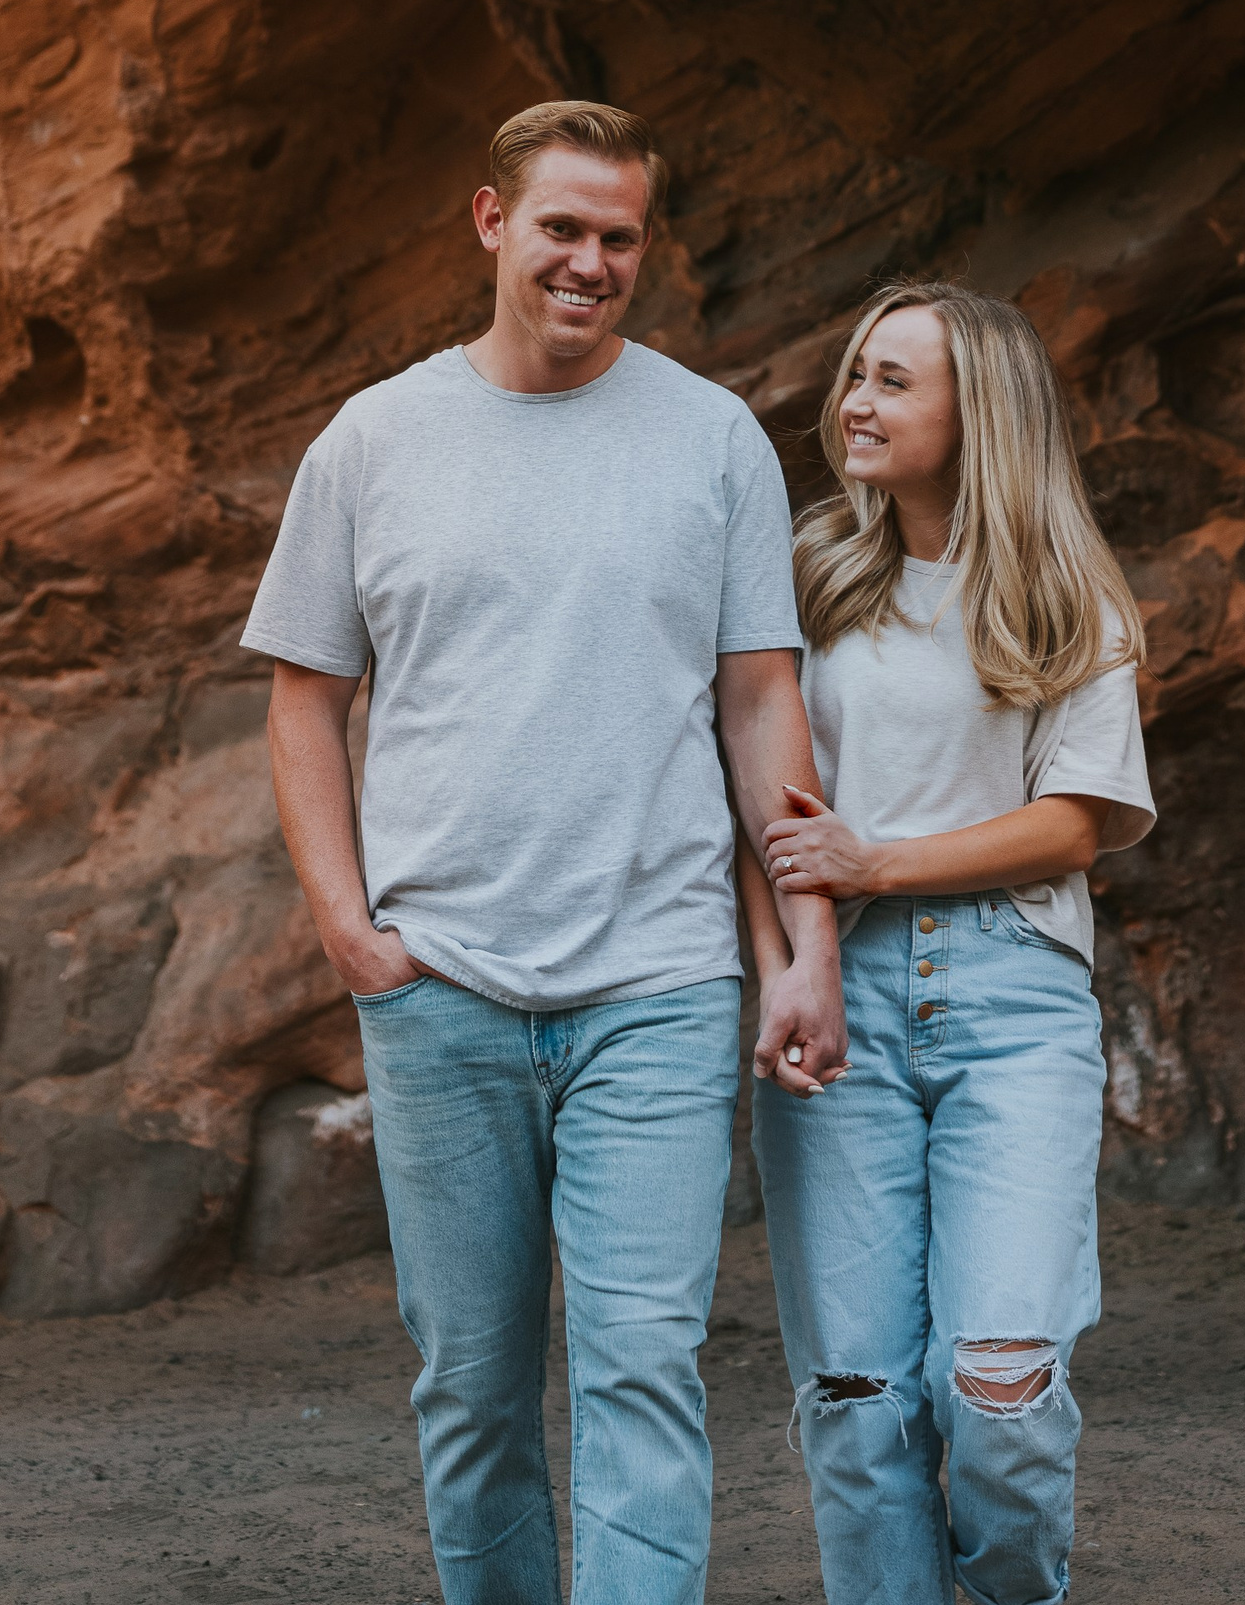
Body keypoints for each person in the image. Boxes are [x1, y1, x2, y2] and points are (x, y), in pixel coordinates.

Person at [246, 99, 847, 1605]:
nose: (590, 262)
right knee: (471, 1387)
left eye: (619, 237)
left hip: (656, 979)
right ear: (490, 221)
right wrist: (351, 931)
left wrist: (807, 942)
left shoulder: (712, 437)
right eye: (563, 227)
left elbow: (762, 702)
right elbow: (304, 703)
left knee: (641, 1366)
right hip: (440, 984)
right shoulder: (374, 438)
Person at [740, 280, 1154, 1605]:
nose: (855, 400)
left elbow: (1074, 826)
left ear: (983, 411)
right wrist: (784, 965)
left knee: (999, 1386)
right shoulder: (807, 572)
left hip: (1015, 994)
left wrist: (884, 860)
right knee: (858, 1402)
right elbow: (755, 808)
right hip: (838, 990)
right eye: (854, 371)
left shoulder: (1064, 589)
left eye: (893, 380)